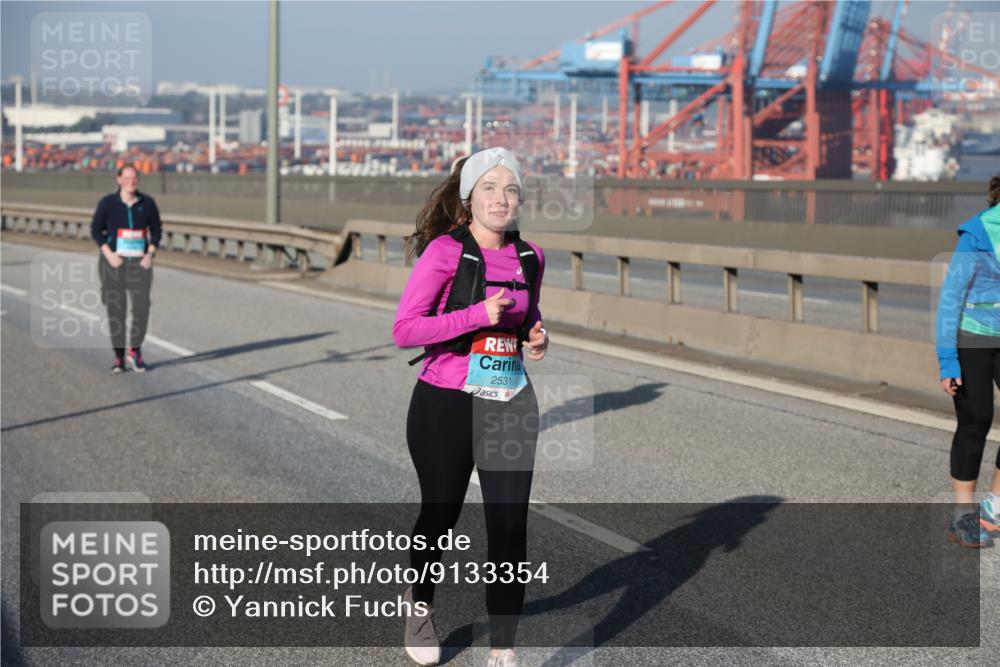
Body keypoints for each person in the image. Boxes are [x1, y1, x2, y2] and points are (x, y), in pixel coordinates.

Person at [393, 148, 549, 667]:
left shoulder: (531, 257)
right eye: (489, 188)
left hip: (509, 399)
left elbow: (528, 314)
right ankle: (418, 604)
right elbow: (405, 330)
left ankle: (502, 651)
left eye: (510, 189)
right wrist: (475, 314)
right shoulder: (443, 252)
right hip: (446, 402)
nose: (501, 199)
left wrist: (535, 334)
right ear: (469, 198)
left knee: (509, 526)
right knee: (441, 515)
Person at [936, 172, 1000, 547]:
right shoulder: (976, 235)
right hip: (972, 339)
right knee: (976, 421)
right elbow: (950, 299)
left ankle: (993, 508)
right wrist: (948, 361)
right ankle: (962, 515)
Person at [90, 164, 161, 373]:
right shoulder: (108, 203)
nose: (131, 181)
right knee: (116, 311)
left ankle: (135, 351)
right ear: (119, 180)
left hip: (139, 264)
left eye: (134, 178)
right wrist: (109, 254)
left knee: (141, 308)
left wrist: (150, 254)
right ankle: (119, 357)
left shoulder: (147, 204)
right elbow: (96, 230)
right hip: (114, 264)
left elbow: (156, 231)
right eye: (127, 178)